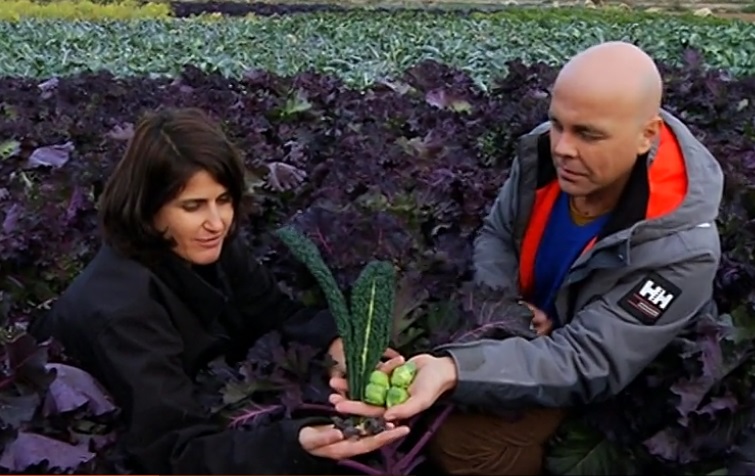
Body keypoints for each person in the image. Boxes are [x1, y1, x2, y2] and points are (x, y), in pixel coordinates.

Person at [330, 41, 724, 474]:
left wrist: (455, 369)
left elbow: (589, 360)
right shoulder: (543, 154)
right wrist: (508, 309)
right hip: (519, 331)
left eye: (588, 134)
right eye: (557, 124)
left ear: (645, 135)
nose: (563, 148)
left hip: (596, 377)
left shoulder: (683, 250)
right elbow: (497, 234)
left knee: (461, 445)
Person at [28, 107, 408, 475]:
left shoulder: (208, 247)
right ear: (147, 209)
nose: (216, 222)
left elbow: (273, 313)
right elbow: (175, 452)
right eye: (192, 206)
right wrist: (296, 443)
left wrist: (336, 345)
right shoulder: (123, 311)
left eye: (223, 200)